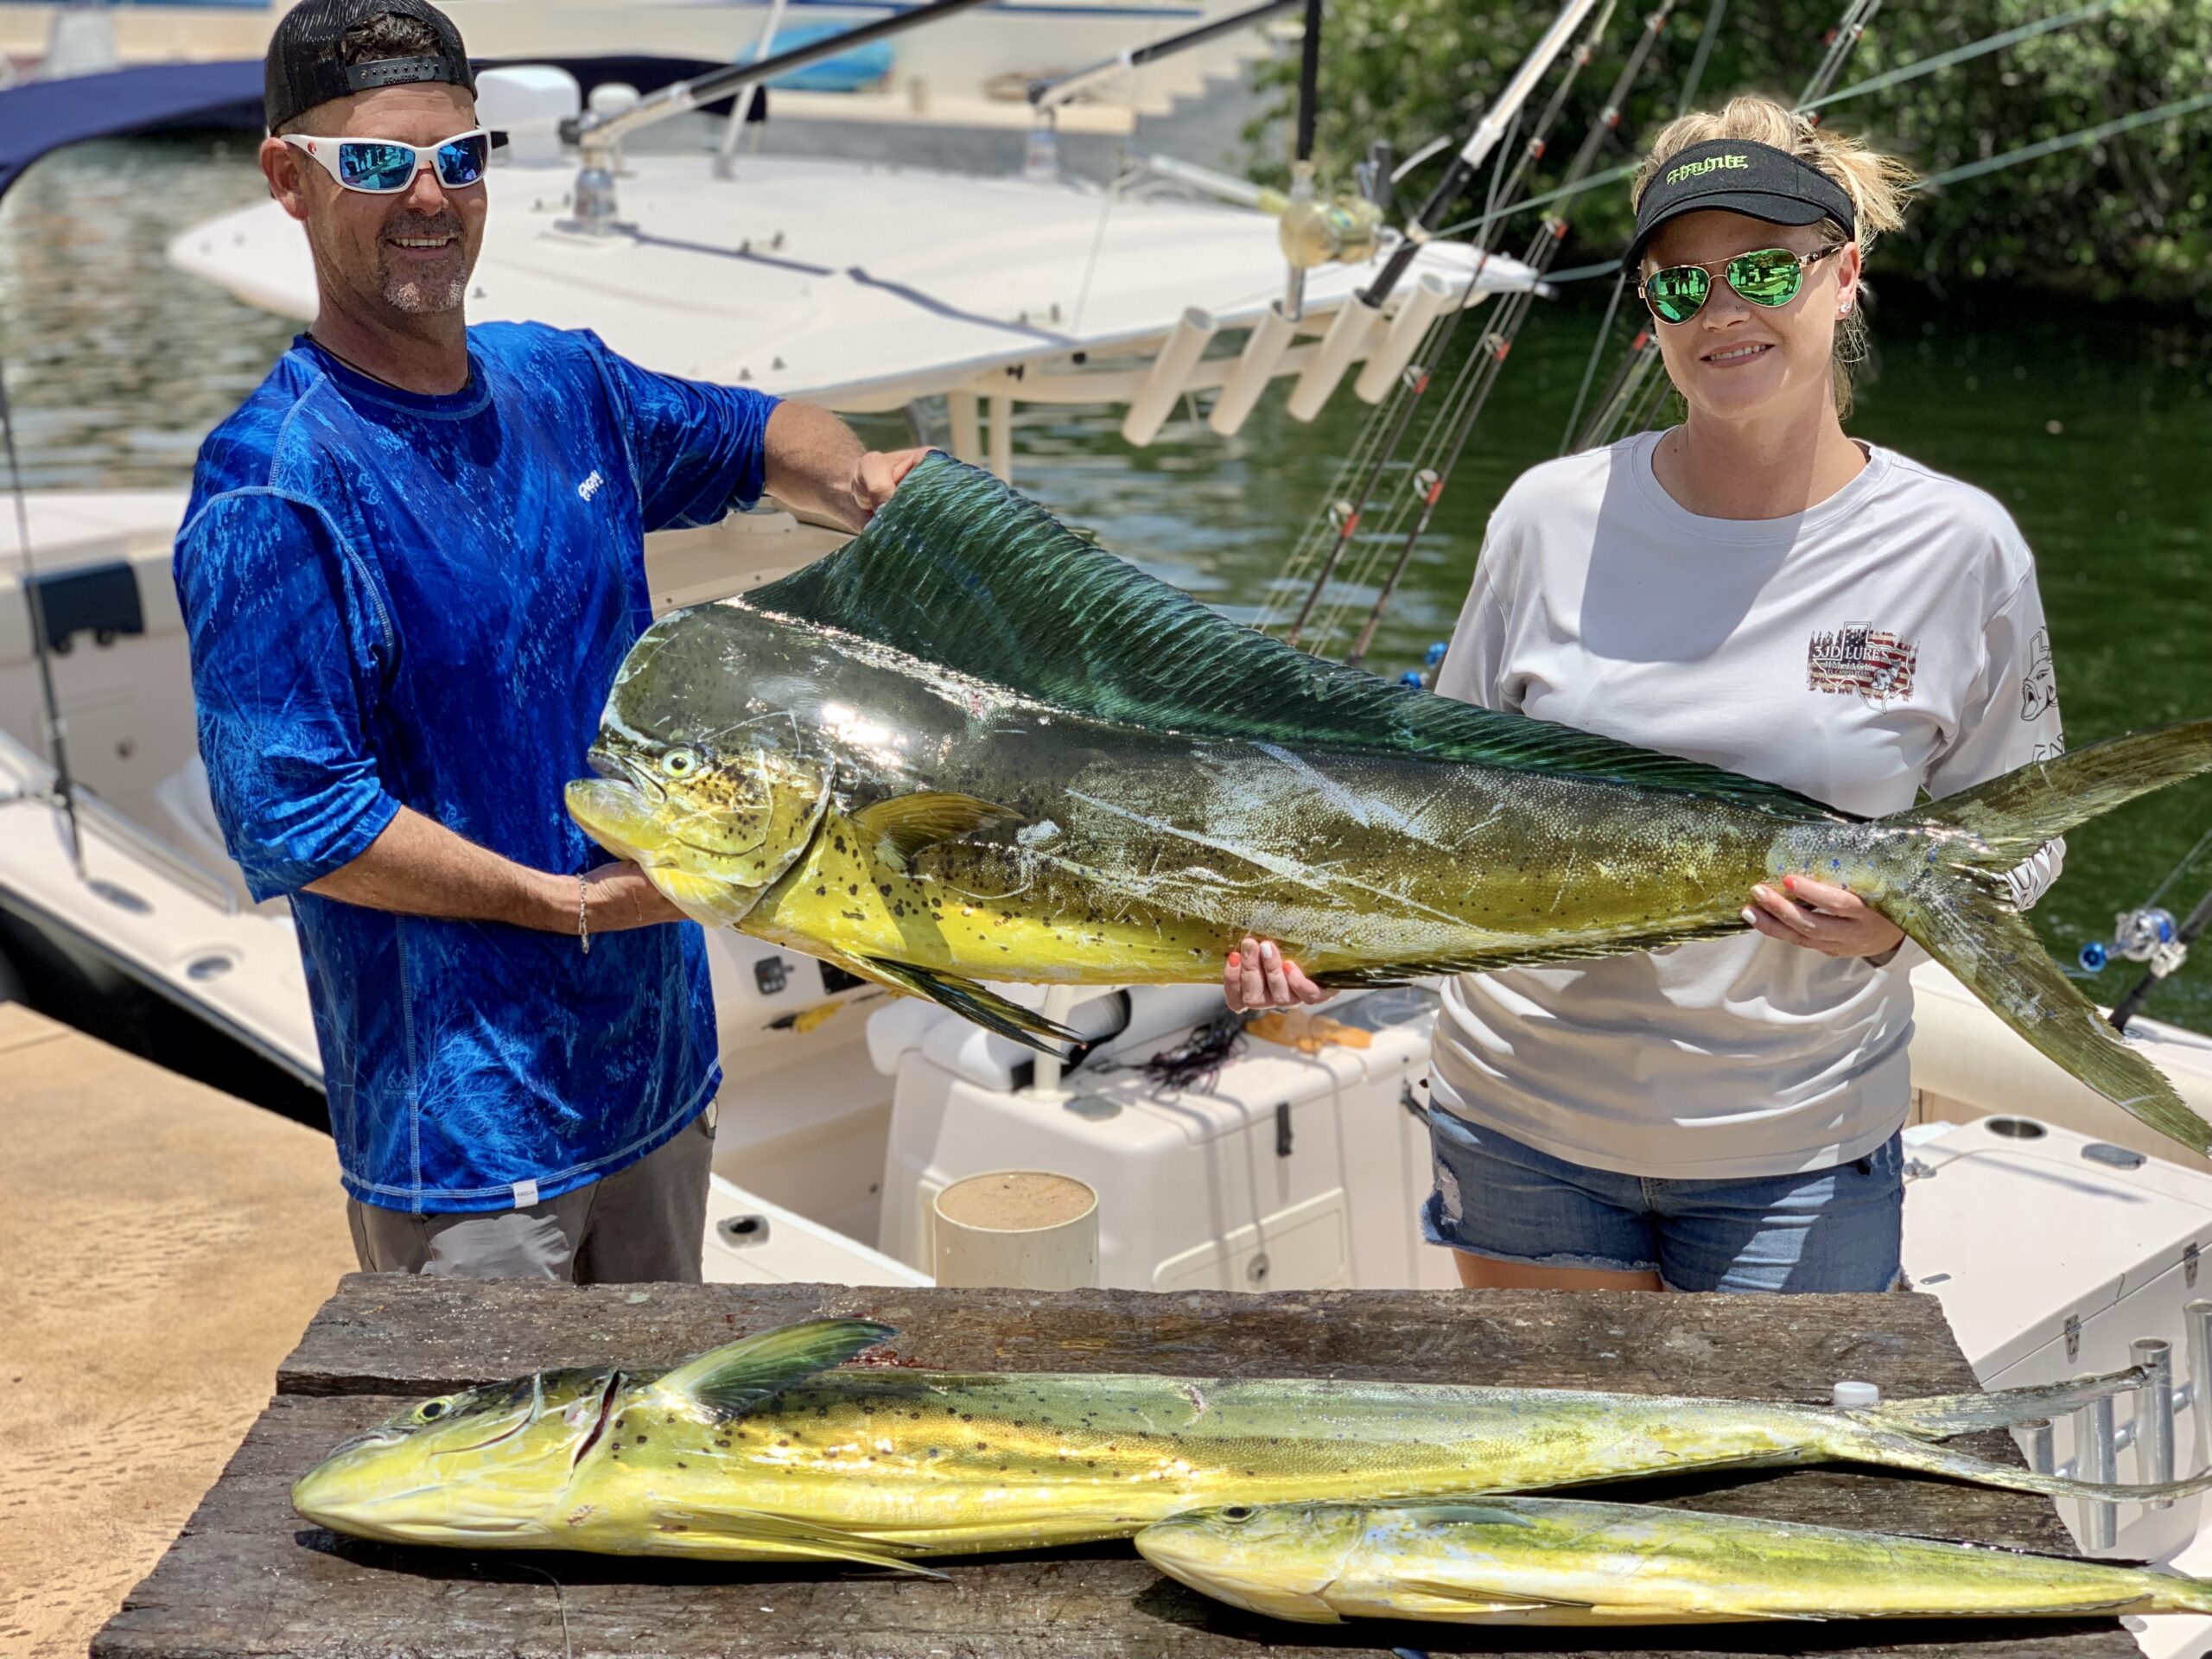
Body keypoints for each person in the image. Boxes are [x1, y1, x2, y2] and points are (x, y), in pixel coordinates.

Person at [1229, 96, 2062, 1295]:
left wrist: (1898, 923)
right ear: (1651, 318)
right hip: (1522, 1123)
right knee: (1563, 1488)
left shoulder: (1959, 548)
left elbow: (2024, 844)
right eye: (1681, 287)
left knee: (1766, 1486)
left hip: (1798, 1146)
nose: (1721, 311)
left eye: (1762, 270)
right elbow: (1430, 810)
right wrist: (1319, 942)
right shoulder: (1546, 518)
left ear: (1845, 276)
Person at [175, 0, 928, 1282]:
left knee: (652, 1470)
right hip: (467, 1151)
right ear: (286, 181)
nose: (428, 195)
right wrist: (572, 905)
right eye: (376, 162)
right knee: (506, 1484)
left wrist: (860, 476)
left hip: (663, 1079)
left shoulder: (561, 383)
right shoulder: (274, 486)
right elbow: (301, 821)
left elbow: (753, 433)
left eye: (459, 158)